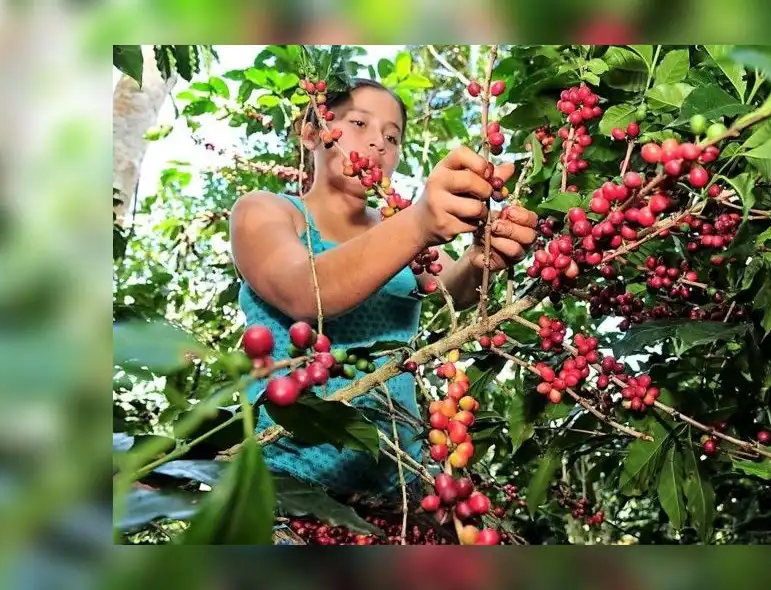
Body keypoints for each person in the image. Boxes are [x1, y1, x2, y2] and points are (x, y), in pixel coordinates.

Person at [229, 78, 539, 501]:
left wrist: (480, 257)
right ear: (312, 131)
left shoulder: (399, 228)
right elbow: (305, 292)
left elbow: (456, 289)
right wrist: (418, 224)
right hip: (281, 472)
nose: (377, 143)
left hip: (399, 481)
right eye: (359, 123)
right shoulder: (268, 210)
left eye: (392, 137)